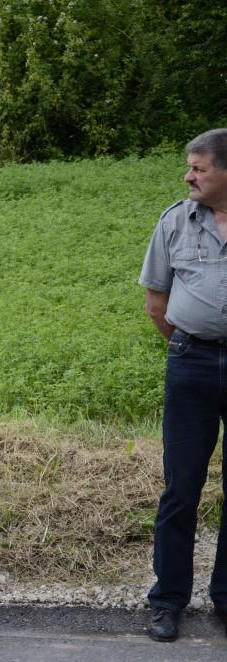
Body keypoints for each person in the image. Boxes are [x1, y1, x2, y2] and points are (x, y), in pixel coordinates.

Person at [139, 128, 227, 643]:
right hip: (191, 363)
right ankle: (168, 600)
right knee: (180, 487)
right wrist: (190, 345)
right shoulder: (175, 221)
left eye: (198, 168)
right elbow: (157, 302)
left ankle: (225, 596)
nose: (187, 176)